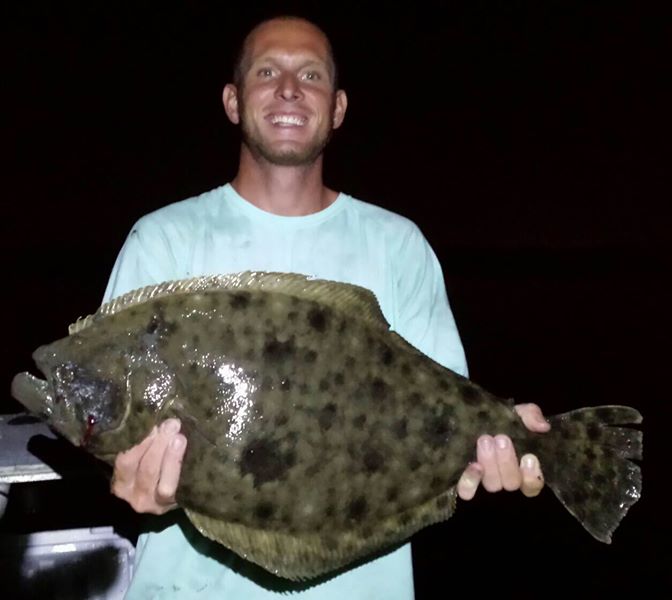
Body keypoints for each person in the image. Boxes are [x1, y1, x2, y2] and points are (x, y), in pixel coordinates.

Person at [104, 15, 550, 599]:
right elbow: (117, 432)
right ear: (233, 101)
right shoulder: (161, 241)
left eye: (309, 74)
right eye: (268, 71)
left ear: (337, 108)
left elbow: (445, 421)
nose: (289, 88)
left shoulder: (399, 246)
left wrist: (502, 444)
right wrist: (126, 478)